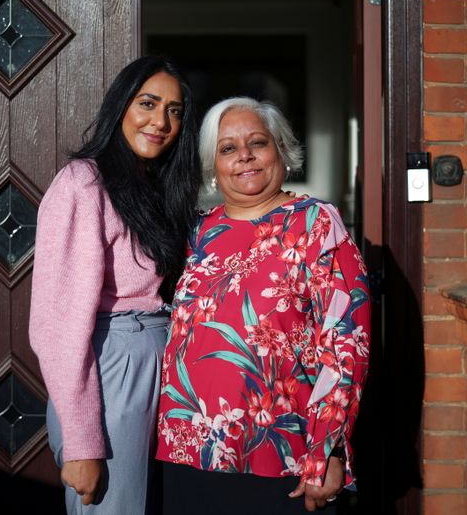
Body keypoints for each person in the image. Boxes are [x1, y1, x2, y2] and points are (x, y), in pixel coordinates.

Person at [155, 97, 371, 514]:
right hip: (186, 451)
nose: (245, 157)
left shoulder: (316, 223)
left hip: (283, 453)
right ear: (212, 166)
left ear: (282, 151)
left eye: (258, 143)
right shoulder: (196, 232)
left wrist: (328, 452)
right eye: (228, 149)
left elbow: (348, 345)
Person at [29, 56, 202, 515]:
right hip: (114, 370)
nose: (160, 121)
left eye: (174, 110)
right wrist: (83, 443)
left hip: (163, 363)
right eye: (148, 103)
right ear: (120, 105)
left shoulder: (154, 188)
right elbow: (58, 327)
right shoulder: (83, 183)